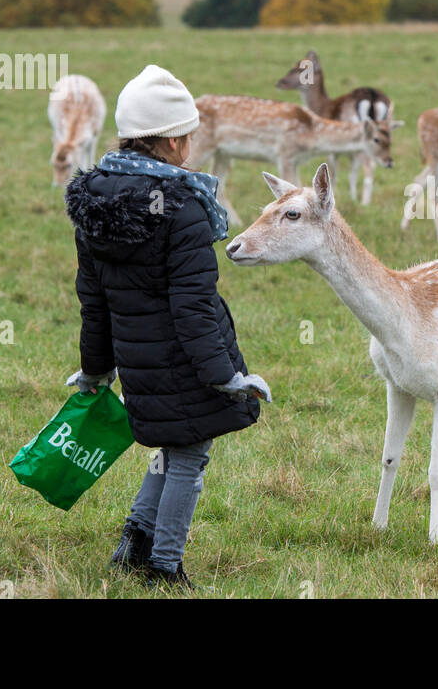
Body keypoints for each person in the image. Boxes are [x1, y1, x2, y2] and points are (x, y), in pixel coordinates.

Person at [63, 65, 270, 589]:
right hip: (185, 357)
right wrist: (227, 378)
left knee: (173, 447)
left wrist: (95, 369)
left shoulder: (95, 199)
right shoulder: (183, 208)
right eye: (188, 135)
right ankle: (164, 568)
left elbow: (94, 300)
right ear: (173, 140)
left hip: (138, 359)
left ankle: (134, 542)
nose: (192, 144)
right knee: (189, 455)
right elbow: (194, 305)